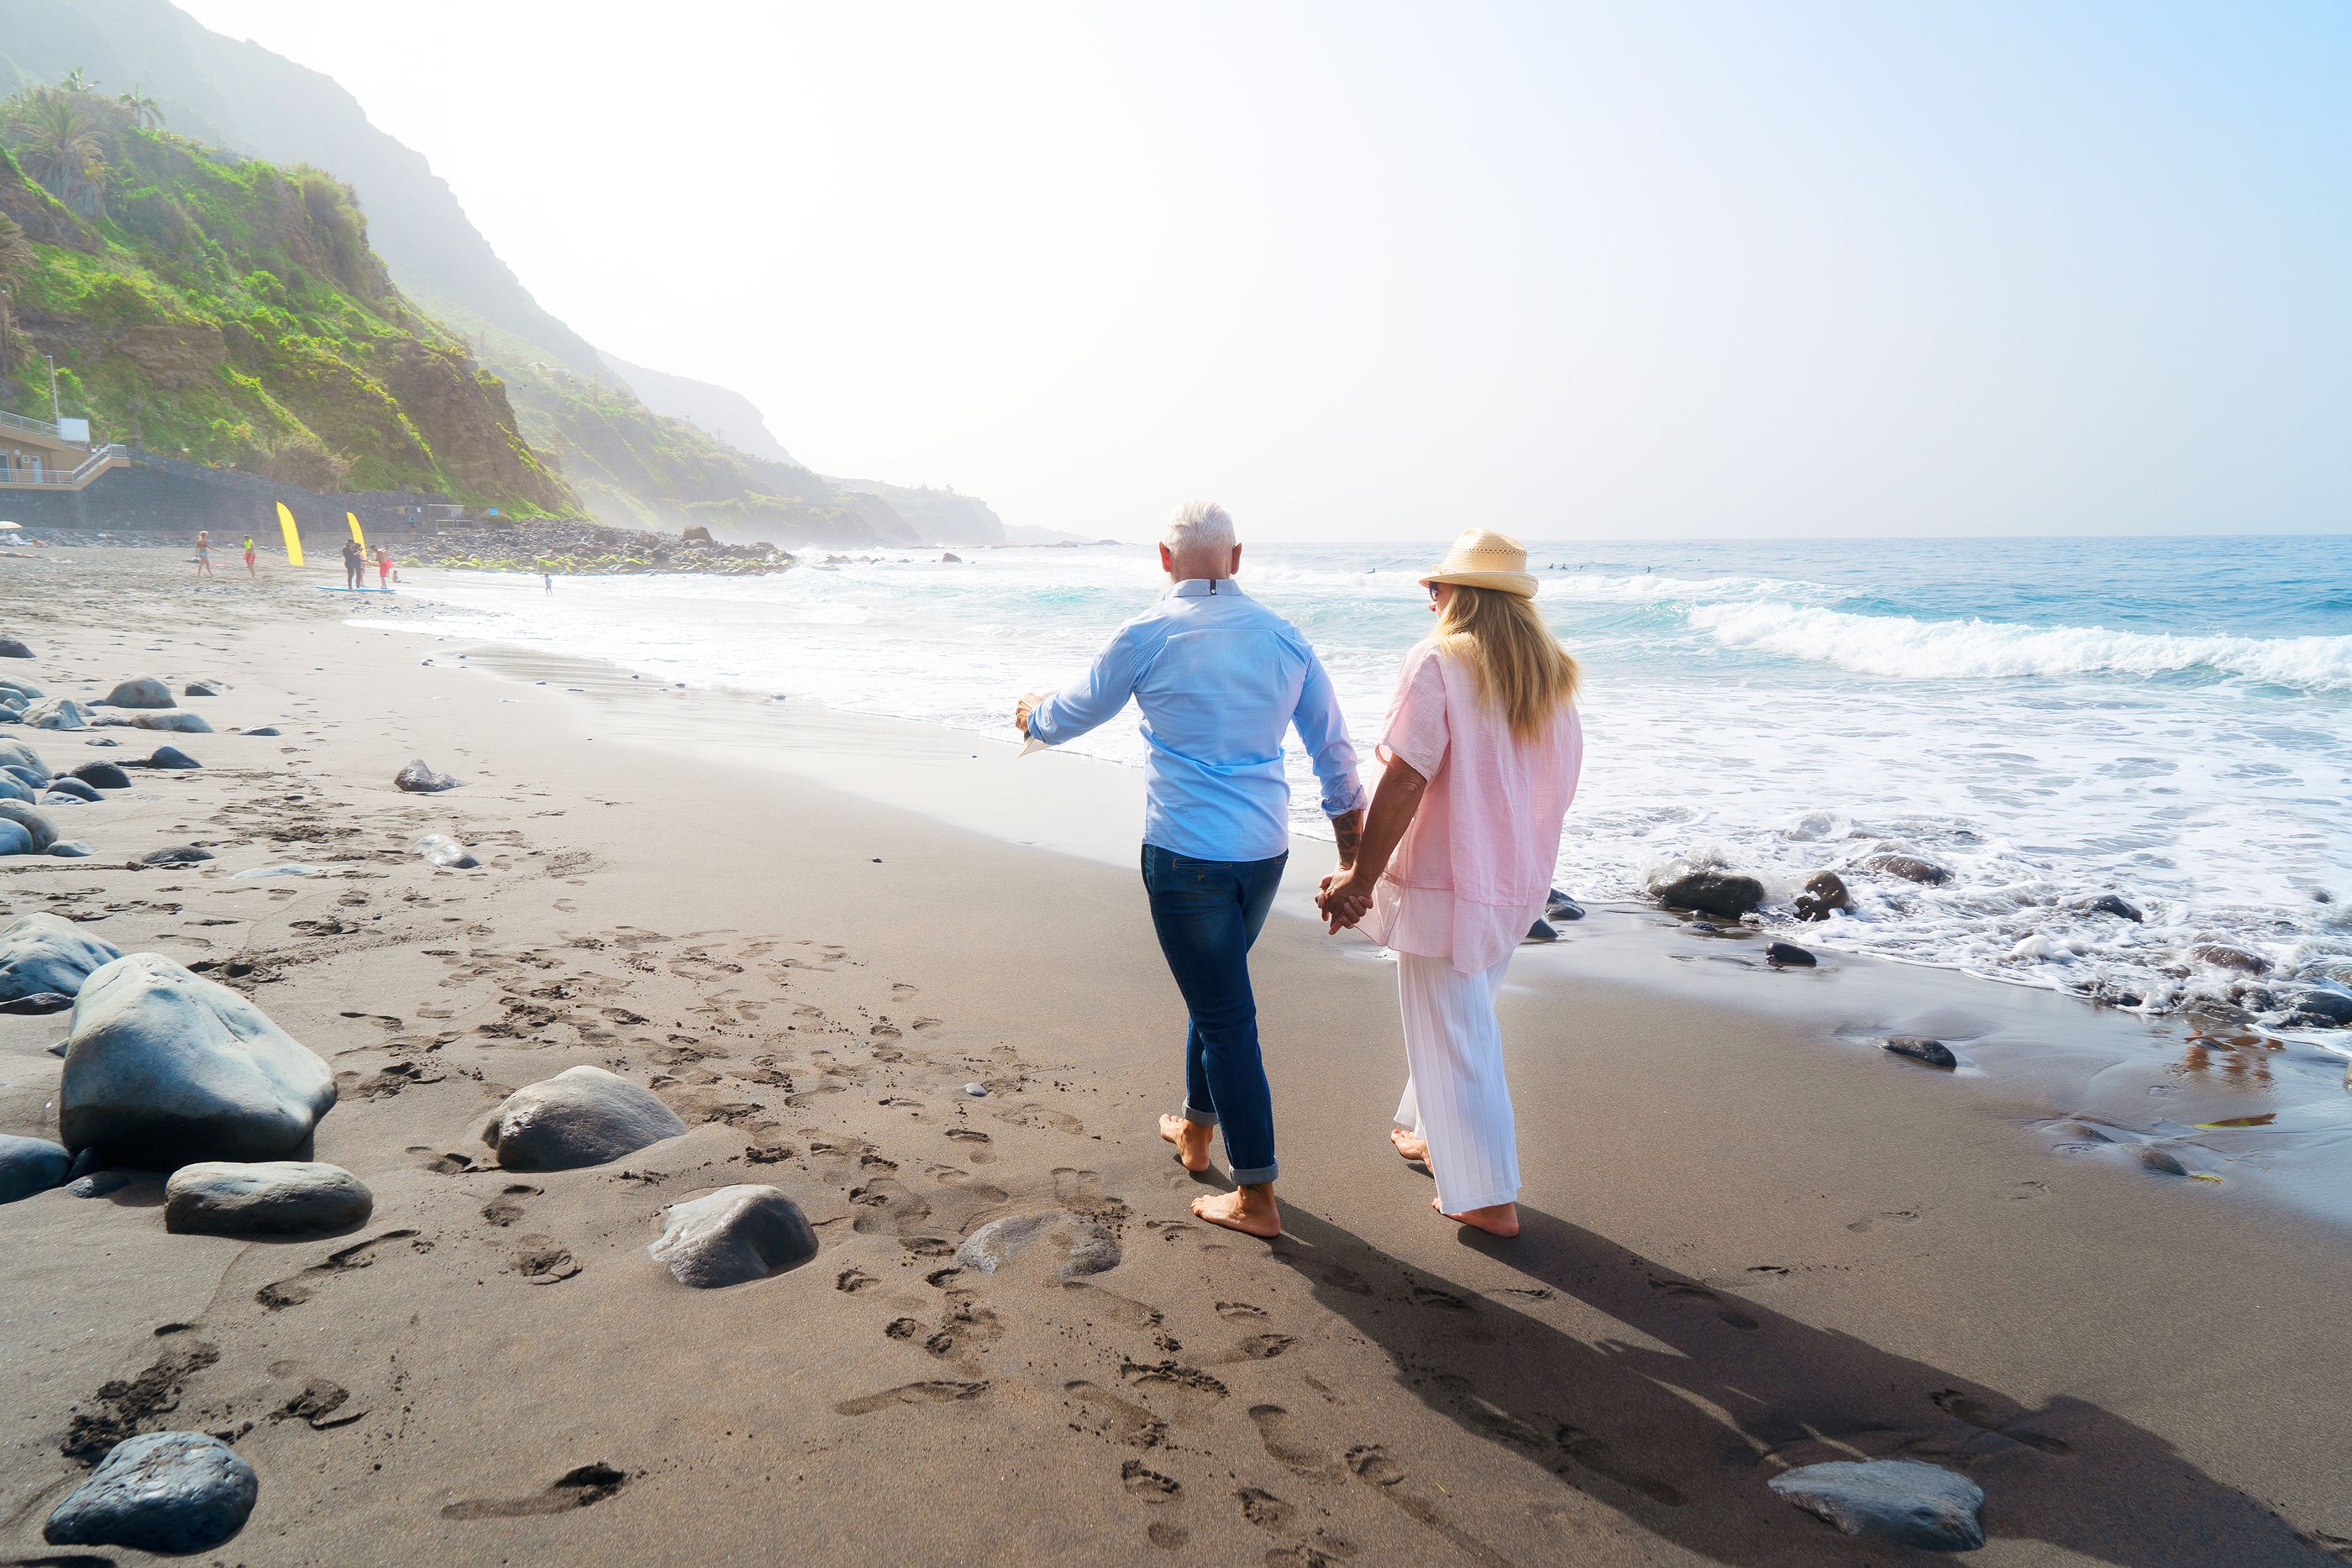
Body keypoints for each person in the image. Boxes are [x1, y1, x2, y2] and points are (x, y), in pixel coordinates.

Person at [1016, 501, 1364, 1239]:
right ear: (1235, 559)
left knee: (1226, 1017)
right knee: (1217, 997)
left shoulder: (1146, 633)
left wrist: (1031, 717)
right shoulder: (1284, 637)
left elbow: (1076, 711)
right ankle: (1196, 1132)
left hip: (1185, 859)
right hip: (1265, 855)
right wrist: (1349, 852)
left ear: (1165, 560)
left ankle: (1258, 1194)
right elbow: (1334, 750)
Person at [1315, 529, 1582, 1239]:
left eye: (1436, 589)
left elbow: (1406, 774)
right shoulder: (1550, 672)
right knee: (1463, 1011)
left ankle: (1488, 1196)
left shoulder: (1439, 660)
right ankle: (1437, 1135)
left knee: (1459, 1028)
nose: (1430, 600)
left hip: (1448, 876)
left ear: (1461, 596)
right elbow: (1557, 784)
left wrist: (1361, 876)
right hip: (1511, 875)